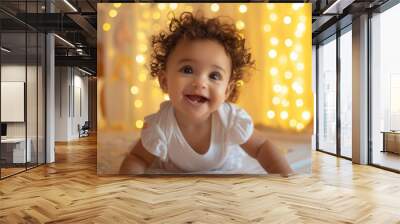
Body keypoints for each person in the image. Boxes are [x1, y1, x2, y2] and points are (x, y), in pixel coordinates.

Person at [120, 11, 293, 176]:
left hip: (224, 180)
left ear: (227, 90)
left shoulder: (230, 119)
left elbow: (262, 147)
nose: (200, 82)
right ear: (165, 81)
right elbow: (137, 158)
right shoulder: (161, 125)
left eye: (214, 75)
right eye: (187, 70)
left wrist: (285, 177)